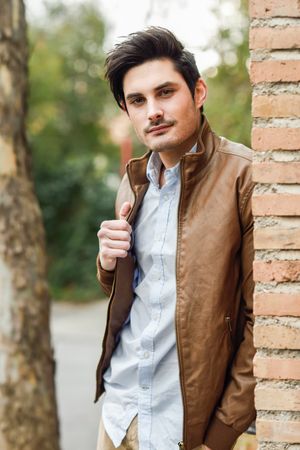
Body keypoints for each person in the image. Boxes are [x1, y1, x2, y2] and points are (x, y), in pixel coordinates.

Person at [95, 27, 255, 450]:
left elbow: (266, 322)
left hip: (184, 430)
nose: (153, 111)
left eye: (165, 93)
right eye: (138, 101)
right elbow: (139, 293)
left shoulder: (244, 176)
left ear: (198, 91)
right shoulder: (133, 182)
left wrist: (221, 436)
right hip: (118, 414)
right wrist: (108, 264)